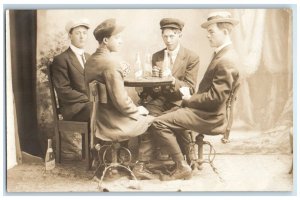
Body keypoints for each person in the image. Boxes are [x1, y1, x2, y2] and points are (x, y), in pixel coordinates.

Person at [150, 11, 240, 180]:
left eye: (211, 31)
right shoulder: (223, 55)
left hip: (210, 116)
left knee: (158, 122)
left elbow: (215, 99)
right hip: (206, 111)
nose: (208, 35)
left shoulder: (226, 59)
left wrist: (188, 100)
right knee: (169, 114)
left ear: (225, 32)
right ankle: (189, 160)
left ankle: (181, 166)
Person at [84, 18, 156, 179]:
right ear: (105, 40)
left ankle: (119, 161)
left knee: (143, 115)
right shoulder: (110, 62)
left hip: (98, 118)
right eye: (117, 38)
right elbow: (121, 101)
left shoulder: (90, 61)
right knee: (152, 120)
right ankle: (140, 167)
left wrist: (119, 71)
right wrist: (137, 110)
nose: (121, 41)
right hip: (113, 122)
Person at [136, 18, 200, 171]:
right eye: (165, 36)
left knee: (173, 120)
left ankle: (186, 158)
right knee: (148, 118)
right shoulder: (156, 56)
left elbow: (190, 88)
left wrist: (172, 80)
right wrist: (154, 84)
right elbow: (151, 89)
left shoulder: (191, 57)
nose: (168, 40)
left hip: (180, 102)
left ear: (180, 35)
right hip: (160, 100)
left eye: (172, 36)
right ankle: (142, 164)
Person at [51, 18, 91, 122]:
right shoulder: (61, 59)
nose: (82, 37)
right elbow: (63, 90)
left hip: (90, 105)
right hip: (74, 109)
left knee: (112, 110)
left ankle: (109, 138)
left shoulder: (89, 57)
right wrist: (88, 98)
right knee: (104, 112)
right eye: (78, 33)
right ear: (70, 36)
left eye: (85, 33)